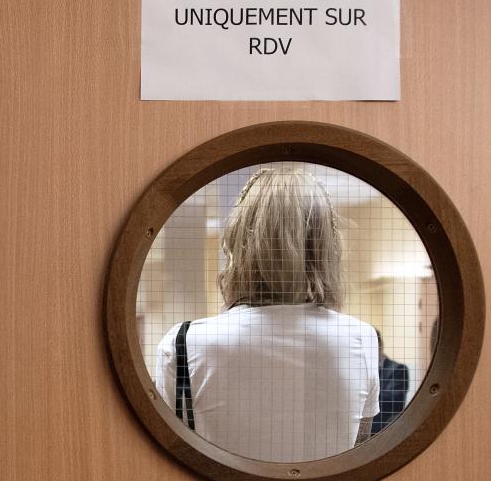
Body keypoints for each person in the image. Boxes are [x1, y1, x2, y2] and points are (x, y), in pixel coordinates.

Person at [154, 167, 379, 463]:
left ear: (238, 243)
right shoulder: (361, 339)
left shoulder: (182, 343)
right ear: (326, 247)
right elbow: (356, 451)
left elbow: (167, 456)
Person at [369, 331, 410, 435]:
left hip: (385, 430)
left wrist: (365, 391)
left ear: (380, 345)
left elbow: (396, 401)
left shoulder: (398, 369)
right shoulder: (361, 369)